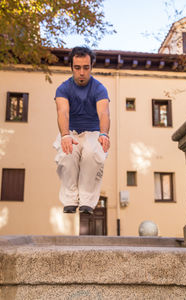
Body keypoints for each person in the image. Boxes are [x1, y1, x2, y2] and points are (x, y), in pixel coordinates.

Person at [54, 46, 110, 215]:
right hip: (70, 131)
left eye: (86, 68)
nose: (82, 72)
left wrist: (104, 134)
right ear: (71, 67)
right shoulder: (63, 88)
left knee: (92, 154)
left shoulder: (99, 88)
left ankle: (87, 200)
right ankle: (70, 198)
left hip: (93, 132)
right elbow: (62, 112)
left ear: (91, 67)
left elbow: (104, 112)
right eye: (77, 68)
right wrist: (65, 135)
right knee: (66, 154)